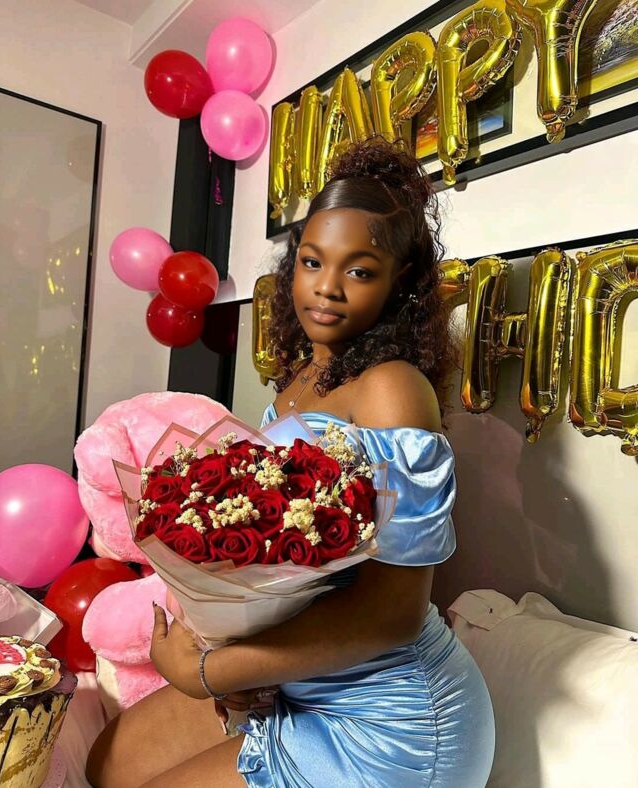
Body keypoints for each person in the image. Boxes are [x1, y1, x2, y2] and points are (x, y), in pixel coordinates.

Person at [86, 136, 495, 787]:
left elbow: (390, 615)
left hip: (388, 721)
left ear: (399, 283)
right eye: (312, 262)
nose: (326, 288)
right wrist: (232, 645)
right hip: (293, 676)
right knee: (106, 764)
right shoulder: (297, 381)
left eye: (359, 271)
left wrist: (209, 671)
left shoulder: (393, 388)